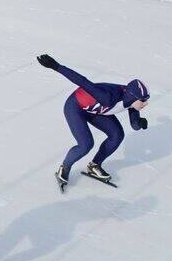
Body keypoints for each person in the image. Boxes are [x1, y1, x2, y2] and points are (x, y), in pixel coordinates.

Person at [37, 54, 150, 189]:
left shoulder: (131, 101)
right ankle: (64, 167)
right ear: (133, 97)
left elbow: (134, 124)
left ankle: (94, 165)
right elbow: (82, 81)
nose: (146, 103)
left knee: (117, 135)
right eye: (143, 100)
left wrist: (140, 123)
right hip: (75, 107)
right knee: (86, 145)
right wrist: (56, 66)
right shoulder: (108, 96)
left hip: (96, 110)